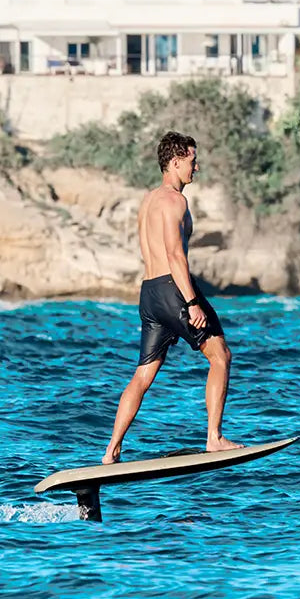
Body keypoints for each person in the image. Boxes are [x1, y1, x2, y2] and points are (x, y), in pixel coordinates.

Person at [103, 131, 241, 463]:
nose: (197, 167)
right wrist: (191, 303)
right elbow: (175, 255)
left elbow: (150, 252)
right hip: (174, 290)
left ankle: (111, 450)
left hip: (150, 292)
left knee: (143, 374)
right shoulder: (174, 201)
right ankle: (214, 438)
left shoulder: (148, 201)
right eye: (193, 161)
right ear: (175, 162)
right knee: (220, 356)